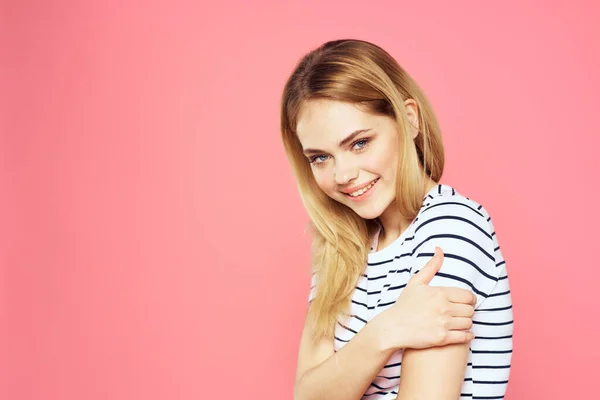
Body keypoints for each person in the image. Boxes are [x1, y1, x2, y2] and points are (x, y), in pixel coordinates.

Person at [279, 39, 513, 400]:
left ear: (409, 118)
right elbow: (306, 395)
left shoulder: (449, 228)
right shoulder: (339, 248)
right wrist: (384, 332)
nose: (343, 175)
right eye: (320, 158)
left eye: (359, 143)